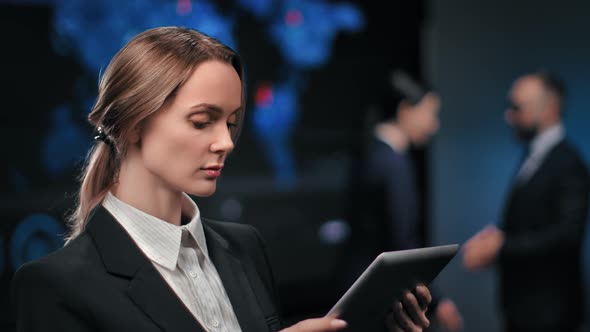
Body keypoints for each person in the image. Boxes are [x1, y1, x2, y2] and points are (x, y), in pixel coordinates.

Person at [11, 27, 432, 332]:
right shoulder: (54, 285)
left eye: (230, 122)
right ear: (134, 122)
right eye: (202, 121)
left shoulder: (243, 248)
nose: (226, 142)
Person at [462, 71, 589, 332]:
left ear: (550, 109)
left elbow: (566, 236)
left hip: (550, 314)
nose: (508, 116)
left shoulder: (568, 163)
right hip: (524, 310)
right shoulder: (534, 155)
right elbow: (532, 222)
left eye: (517, 108)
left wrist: (502, 246)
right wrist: (498, 237)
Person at [348, 70, 463, 332]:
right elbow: (403, 242)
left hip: (359, 291)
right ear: (405, 110)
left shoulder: (372, 153)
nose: (434, 125)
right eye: (430, 113)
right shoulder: (393, 164)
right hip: (378, 301)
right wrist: (439, 301)